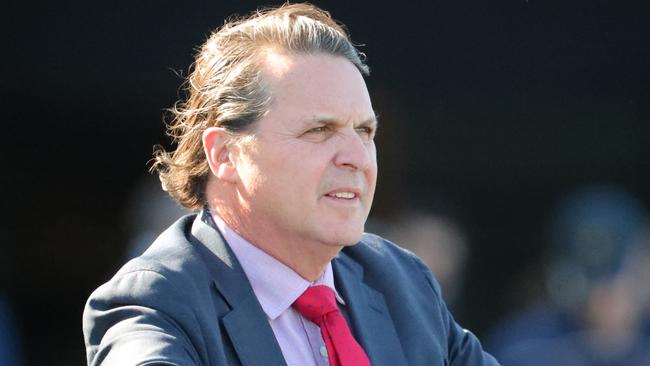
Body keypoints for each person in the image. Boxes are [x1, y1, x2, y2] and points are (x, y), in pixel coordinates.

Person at [82, 3, 499, 366]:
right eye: (319, 130)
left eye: (365, 131)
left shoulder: (400, 281)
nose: (355, 157)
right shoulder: (155, 301)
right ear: (224, 154)